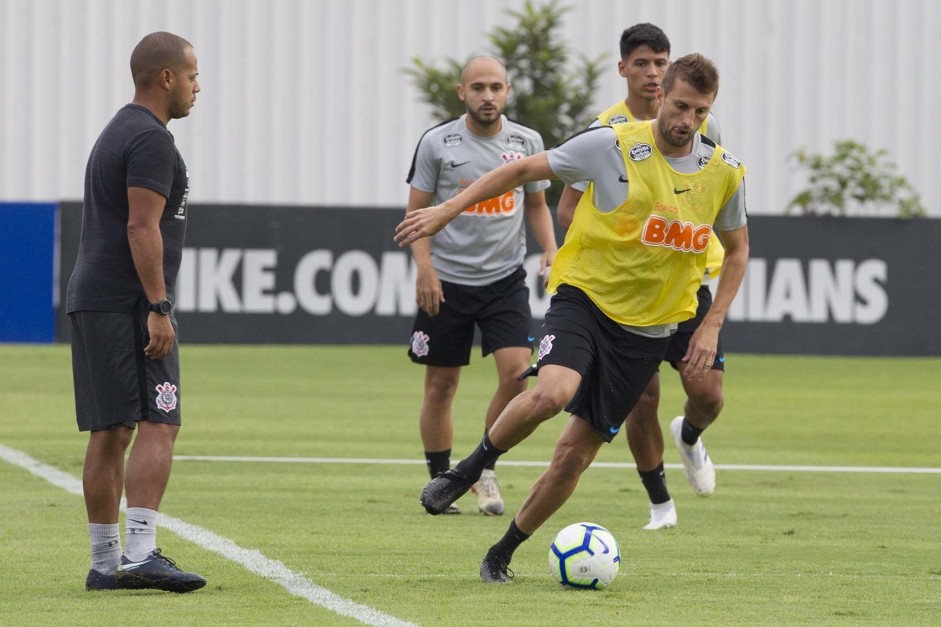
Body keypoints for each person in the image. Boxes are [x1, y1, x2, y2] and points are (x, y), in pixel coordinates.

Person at [395, 53, 749, 583]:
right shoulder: (610, 145)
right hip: (584, 299)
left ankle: (501, 553)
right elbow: (520, 171)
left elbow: (738, 251)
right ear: (661, 96)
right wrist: (445, 211)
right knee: (550, 392)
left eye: (700, 112)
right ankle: (470, 467)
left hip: (650, 330)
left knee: (572, 457)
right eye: (679, 106)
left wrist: (713, 321)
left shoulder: (723, 172)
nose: (687, 121)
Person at [556, 23, 727, 531]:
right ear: (624, 69)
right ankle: (660, 504)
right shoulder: (604, 130)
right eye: (642, 63)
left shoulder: (700, 125)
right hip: (628, 292)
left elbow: (715, 193)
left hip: (685, 281)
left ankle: (691, 437)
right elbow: (567, 208)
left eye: (660, 62)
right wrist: (618, 248)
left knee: (709, 394)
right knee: (641, 395)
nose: (652, 72)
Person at [67, 31, 206, 593]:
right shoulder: (150, 139)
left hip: (94, 297)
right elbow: (140, 225)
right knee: (160, 421)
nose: (199, 86)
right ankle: (142, 553)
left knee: (109, 430)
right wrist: (158, 306)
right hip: (126, 304)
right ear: (166, 77)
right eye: (193, 74)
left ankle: (105, 564)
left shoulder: (117, 130)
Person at [404, 55, 557, 516]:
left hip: (504, 280)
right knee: (441, 387)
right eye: (478, 88)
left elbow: (536, 206)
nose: (487, 96)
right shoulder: (437, 143)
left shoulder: (527, 141)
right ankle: (441, 481)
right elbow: (416, 213)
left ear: (508, 91)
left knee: (518, 375)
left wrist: (550, 250)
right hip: (447, 281)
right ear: (461, 92)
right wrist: (424, 270)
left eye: (495, 87)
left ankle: (482, 467)